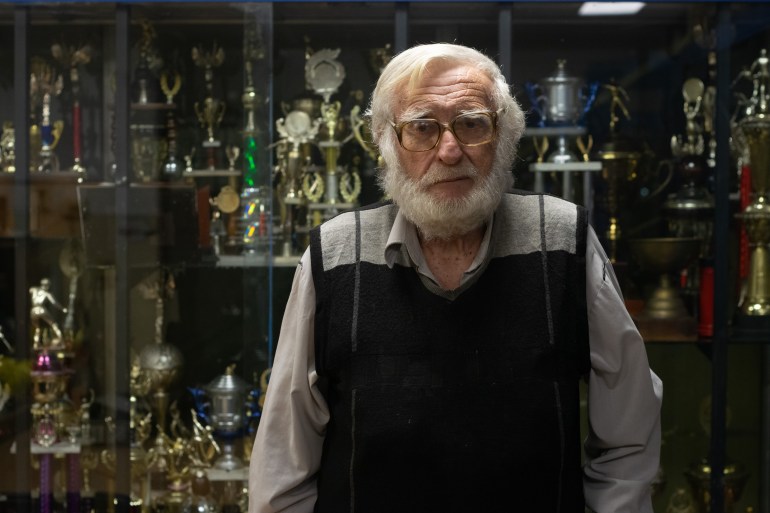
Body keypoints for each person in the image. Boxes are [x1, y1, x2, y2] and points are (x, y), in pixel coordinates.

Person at [249, 43, 662, 513]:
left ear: (503, 137)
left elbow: (630, 435)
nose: (449, 150)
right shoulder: (334, 252)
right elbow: (283, 462)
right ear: (386, 143)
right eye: (422, 128)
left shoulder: (564, 240)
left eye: (471, 124)